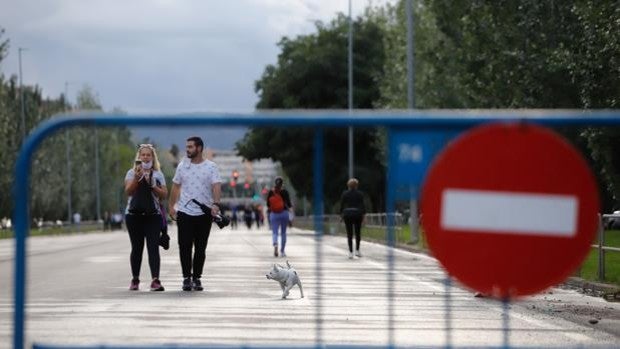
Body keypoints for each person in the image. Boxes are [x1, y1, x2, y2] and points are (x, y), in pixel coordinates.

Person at [168, 136, 222, 291]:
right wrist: (171, 206)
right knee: (184, 246)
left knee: (200, 248)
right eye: (187, 146)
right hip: (184, 212)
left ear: (199, 148)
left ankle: (197, 277)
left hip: (204, 213)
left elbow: (216, 185)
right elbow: (176, 187)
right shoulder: (182, 166)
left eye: (190, 147)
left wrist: (216, 204)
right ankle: (186, 277)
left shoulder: (211, 167)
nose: (187, 149)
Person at [124, 144, 168, 291]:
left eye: (148, 155)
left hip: (152, 216)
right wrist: (137, 179)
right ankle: (135, 279)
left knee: (153, 248)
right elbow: (128, 192)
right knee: (136, 248)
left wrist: (153, 185)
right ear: (139, 157)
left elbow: (164, 195)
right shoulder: (131, 173)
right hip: (134, 216)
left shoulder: (158, 174)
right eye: (143, 155)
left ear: (153, 157)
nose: (145, 157)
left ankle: (155, 280)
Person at [340, 178, 366, 259]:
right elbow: (362, 205)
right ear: (356, 185)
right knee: (358, 233)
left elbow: (342, 205)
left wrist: (341, 215)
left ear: (348, 185)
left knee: (349, 234)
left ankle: (350, 252)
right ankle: (357, 250)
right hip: (357, 214)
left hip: (347, 214)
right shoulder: (360, 194)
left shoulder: (345, 194)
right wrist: (364, 216)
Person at [266, 176, 293, 257]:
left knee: (275, 232)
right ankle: (282, 251)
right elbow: (289, 204)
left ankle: (275, 243)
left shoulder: (271, 192)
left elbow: (268, 204)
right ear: (282, 183)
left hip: (274, 214)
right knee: (283, 232)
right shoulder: (285, 192)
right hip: (284, 213)